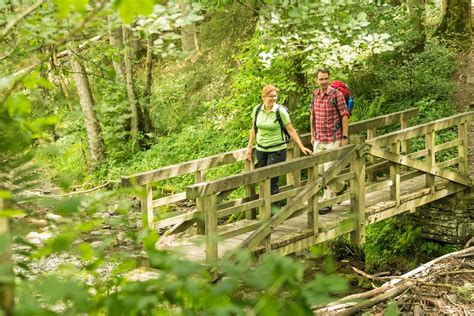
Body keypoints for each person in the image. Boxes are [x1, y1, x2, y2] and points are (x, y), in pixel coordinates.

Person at [247, 85, 313, 198]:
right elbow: (253, 129)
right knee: (262, 180)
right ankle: (266, 210)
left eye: (275, 96)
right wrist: (249, 148)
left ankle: (274, 212)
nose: (273, 98)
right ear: (263, 97)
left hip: (277, 150)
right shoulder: (257, 110)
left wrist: (301, 147)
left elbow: (291, 130)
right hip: (261, 150)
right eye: (270, 96)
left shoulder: (280, 111)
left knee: (272, 181)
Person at [310, 68, 349, 214]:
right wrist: (312, 135)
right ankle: (340, 187)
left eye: (326, 78)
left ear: (329, 79)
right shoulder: (314, 95)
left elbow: (345, 115)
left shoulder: (336, 95)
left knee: (328, 171)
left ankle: (327, 201)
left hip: (333, 139)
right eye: (321, 79)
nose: (324, 82)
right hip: (319, 140)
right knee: (319, 171)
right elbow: (312, 115)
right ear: (317, 80)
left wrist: (344, 137)